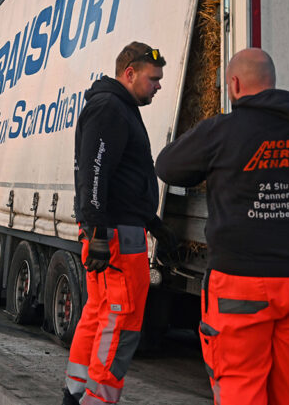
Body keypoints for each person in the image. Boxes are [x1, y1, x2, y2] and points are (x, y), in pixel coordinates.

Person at [155, 48, 289, 405]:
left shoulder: (222, 131)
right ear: (272, 82)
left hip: (241, 285)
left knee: (240, 387)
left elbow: (168, 166)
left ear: (235, 84)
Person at [64, 41, 175, 405]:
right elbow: (94, 174)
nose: (158, 85)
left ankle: (76, 393)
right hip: (115, 236)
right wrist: (97, 231)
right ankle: (96, 399)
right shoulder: (111, 108)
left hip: (115, 229)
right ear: (130, 73)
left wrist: (153, 222)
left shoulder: (118, 107)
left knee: (98, 314)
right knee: (122, 319)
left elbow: (123, 179)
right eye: (153, 78)